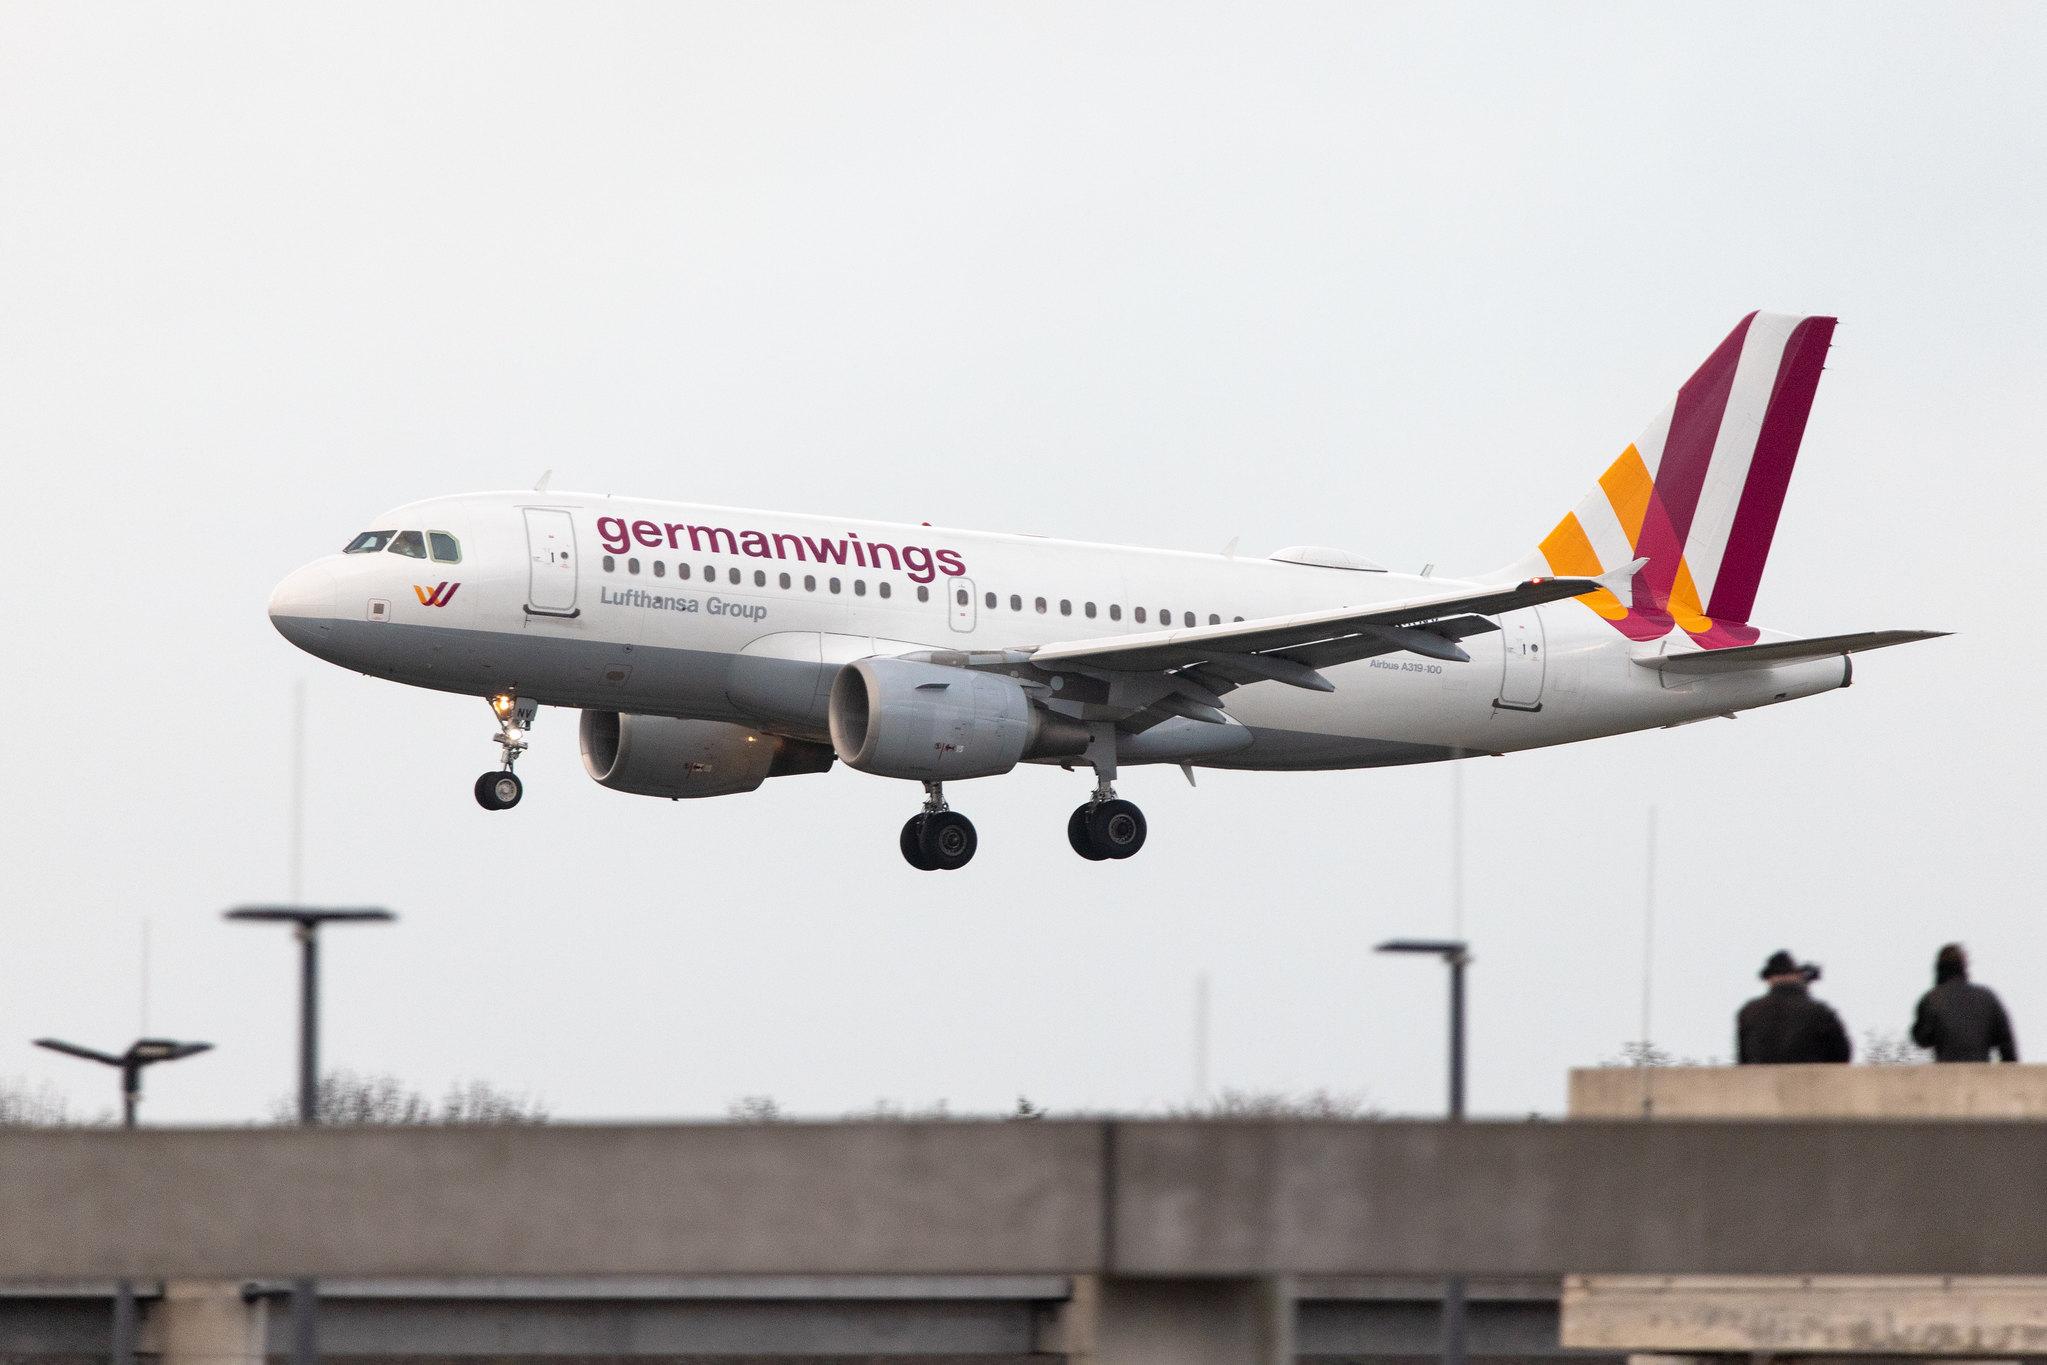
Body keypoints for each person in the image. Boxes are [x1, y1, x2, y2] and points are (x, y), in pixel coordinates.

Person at [1737, 950, 1852, 1064]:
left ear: (1769, 979)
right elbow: (1841, 1056)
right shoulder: (1819, 1011)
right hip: (1811, 1080)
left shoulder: (1749, 1012)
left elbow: (1743, 1060)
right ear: (1796, 976)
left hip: (1762, 1081)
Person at [1911, 943, 2018, 1062]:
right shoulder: (1987, 997)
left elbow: (1921, 1038)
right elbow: (2007, 1047)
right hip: (1981, 1075)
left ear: (1939, 968)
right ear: (1964, 967)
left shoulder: (1933, 999)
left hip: (1946, 1076)